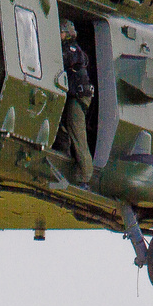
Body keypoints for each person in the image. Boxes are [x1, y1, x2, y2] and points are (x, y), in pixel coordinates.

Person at [59, 19, 94, 184]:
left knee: (77, 133)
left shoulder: (72, 49)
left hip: (79, 97)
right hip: (75, 96)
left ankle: (85, 178)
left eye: (61, 32)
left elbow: (64, 60)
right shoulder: (71, 48)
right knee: (67, 128)